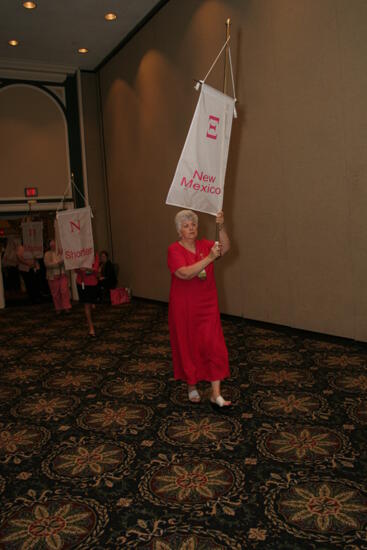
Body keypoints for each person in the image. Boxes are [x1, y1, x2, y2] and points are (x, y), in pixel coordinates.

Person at [167, 209, 232, 410]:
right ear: (179, 231)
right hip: (184, 307)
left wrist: (220, 225)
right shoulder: (174, 250)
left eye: (193, 224)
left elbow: (226, 247)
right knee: (189, 346)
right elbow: (184, 274)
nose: (191, 228)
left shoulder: (206, 245)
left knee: (214, 345)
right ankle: (191, 385)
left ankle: (215, 394)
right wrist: (209, 259)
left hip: (207, 305)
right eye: (186, 226)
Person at [44, 239, 71, 314]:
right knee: (55, 293)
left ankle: (66, 307)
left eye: (54, 245)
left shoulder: (62, 252)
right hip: (52, 276)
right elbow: (47, 264)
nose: (53, 246)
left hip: (63, 275)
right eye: (52, 245)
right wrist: (58, 263)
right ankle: (58, 308)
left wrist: (62, 262)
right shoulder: (47, 254)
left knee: (64, 291)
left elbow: (68, 262)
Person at [75, 253, 99, 337]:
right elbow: (75, 270)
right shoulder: (78, 255)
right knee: (87, 305)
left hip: (92, 283)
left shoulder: (95, 255)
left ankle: (93, 304)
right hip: (82, 283)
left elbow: (96, 270)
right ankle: (91, 328)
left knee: (91, 304)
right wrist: (79, 269)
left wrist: (88, 269)